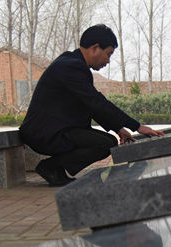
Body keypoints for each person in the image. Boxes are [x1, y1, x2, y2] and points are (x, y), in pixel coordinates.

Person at [20, 24, 163, 186]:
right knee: (104, 144)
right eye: (108, 54)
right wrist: (137, 126)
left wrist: (118, 129)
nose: (108, 61)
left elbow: (90, 105)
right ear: (95, 48)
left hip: (55, 129)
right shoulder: (71, 66)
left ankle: (54, 167)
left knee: (108, 141)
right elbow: (96, 102)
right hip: (44, 133)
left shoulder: (73, 63)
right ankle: (52, 167)